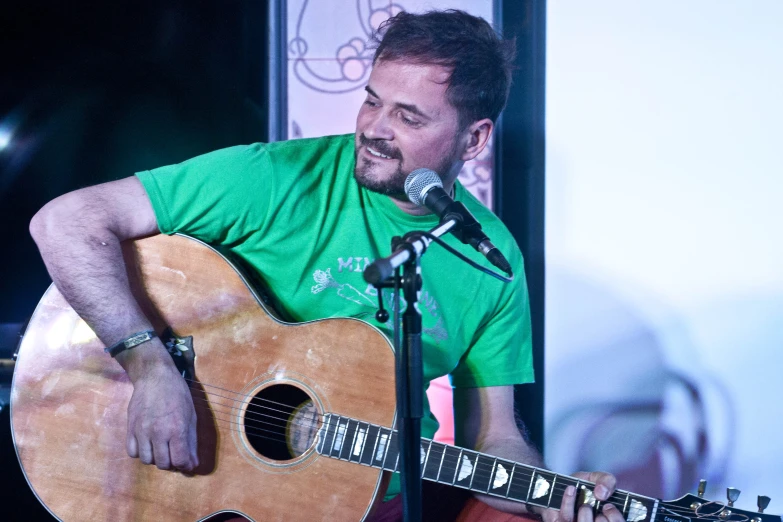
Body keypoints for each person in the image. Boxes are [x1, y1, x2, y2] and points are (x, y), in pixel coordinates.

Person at [30, 9, 625, 522]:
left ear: (473, 140)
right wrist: (150, 366)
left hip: (377, 506)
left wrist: (556, 495)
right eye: (372, 101)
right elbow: (64, 221)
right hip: (226, 497)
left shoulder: (491, 258)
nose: (374, 129)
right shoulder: (273, 178)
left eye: (409, 117)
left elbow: (493, 436)